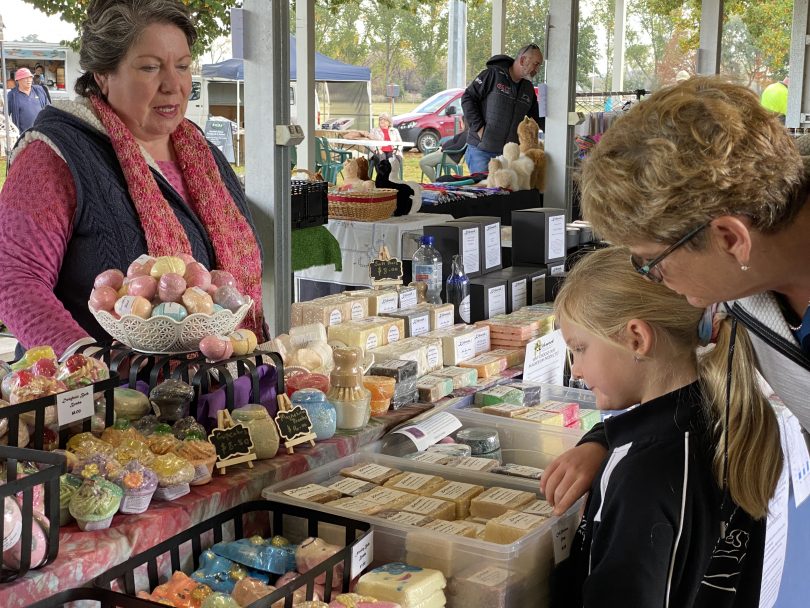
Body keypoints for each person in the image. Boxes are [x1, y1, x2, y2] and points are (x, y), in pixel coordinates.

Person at [541, 74, 810, 603]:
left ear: (729, 238)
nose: (653, 283)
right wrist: (606, 440)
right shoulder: (743, 274)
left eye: (653, 264)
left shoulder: (738, 266)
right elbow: (683, 362)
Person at [0, 0, 267, 358]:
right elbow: (14, 280)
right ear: (102, 75)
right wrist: (88, 364)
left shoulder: (204, 157)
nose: (173, 84)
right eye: (150, 68)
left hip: (216, 388)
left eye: (184, 66)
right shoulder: (54, 155)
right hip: (105, 400)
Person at [550, 246, 781, 608]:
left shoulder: (644, 477)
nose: (576, 370)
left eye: (579, 348)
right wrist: (600, 441)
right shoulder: (725, 413)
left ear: (637, 339)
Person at [461, 43, 543, 173]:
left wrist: (560, 133)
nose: (537, 69)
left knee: (505, 192)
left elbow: (538, 117)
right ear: (522, 60)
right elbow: (468, 98)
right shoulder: (492, 75)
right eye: (536, 64)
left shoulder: (528, 88)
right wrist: (479, 128)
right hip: (481, 151)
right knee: (486, 192)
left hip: (507, 155)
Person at [6, 67, 50, 133]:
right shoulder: (12, 95)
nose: (29, 80)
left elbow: (49, 109)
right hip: (23, 135)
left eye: (30, 77)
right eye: (25, 78)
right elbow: (4, 115)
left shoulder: (39, 90)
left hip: (41, 133)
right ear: (18, 80)